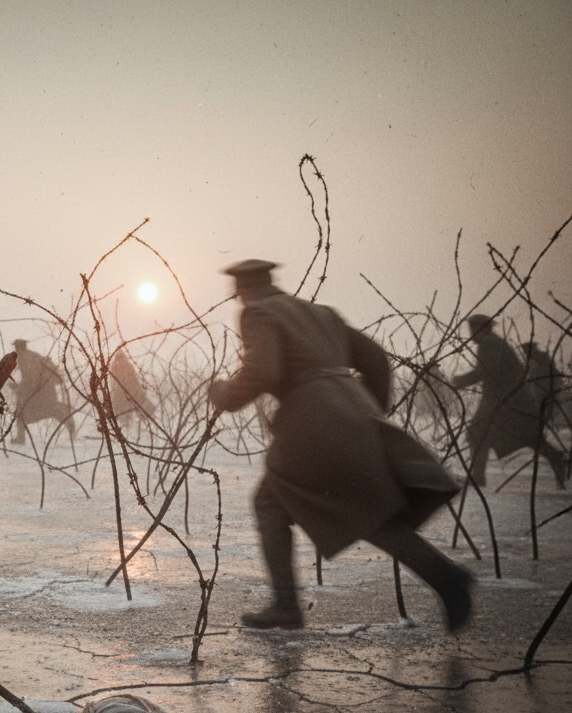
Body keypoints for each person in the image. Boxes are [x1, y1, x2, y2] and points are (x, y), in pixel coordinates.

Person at [209, 260, 471, 631]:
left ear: (244, 290)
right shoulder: (321, 313)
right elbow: (376, 360)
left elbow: (263, 372)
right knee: (359, 510)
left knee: (273, 504)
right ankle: (447, 578)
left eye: (238, 294)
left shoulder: (257, 313)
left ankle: (286, 606)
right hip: (351, 415)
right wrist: (365, 413)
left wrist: (223, 394)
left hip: (311, 424)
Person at [452, 315, 566, 489]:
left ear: (482, 329)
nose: (470, 334)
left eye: (472, 330)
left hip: (507, 401)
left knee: (477, 433)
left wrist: (460, 381)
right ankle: (557, 459)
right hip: (513, 400)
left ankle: (478, 477)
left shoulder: (489, 344)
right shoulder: (494, 343)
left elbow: (485, 371)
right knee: (527, 436)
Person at [10, 339, 75, 444]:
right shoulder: (35, 356)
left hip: (38, 392)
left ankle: (20, 439)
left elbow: (30, 378)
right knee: (50, 409)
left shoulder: (23, 358)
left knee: (22, 416)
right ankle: (68, 421)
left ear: (18, 348)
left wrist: (18, 387)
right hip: (47, 391)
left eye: (16, 347)